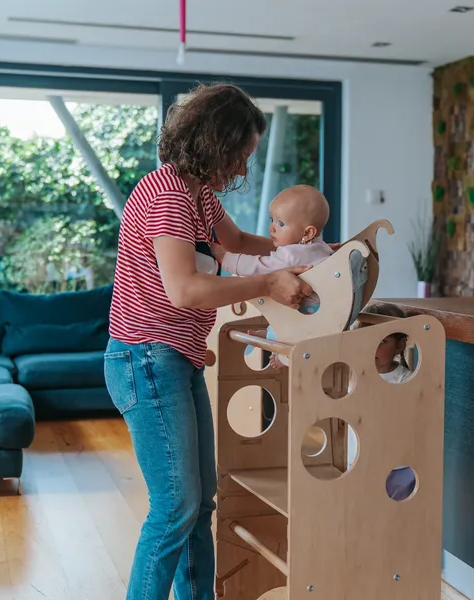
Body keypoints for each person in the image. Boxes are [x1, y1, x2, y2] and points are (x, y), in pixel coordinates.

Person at [104, 83, 320, 600]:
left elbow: (238, 243)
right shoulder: (167, 196)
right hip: (146, 360)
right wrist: (269, 283)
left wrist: (307, 254)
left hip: (170, 358)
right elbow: (186, 289)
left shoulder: (194, 191)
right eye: (242, 153)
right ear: (218, 144)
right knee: (176, 506)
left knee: (200, 504)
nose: (244, 165)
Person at [212, 184, 333, 368]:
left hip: (306, 321)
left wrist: (225, 258)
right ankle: (269, 334)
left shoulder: (293, 255)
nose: (272, 229)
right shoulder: (321, 247)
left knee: (284, 320)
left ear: (308, 232)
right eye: (272, 220)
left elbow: (260, 267)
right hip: (322, 317)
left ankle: (278, 346)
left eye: (281, 224)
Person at [347, 303, 416, 501]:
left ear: (400, 345)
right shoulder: (354, 374)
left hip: (397, 467)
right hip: (358, 461)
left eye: (382, 341)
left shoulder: (405, 379)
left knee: (393, 519)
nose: (373, 347)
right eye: (367, 339)